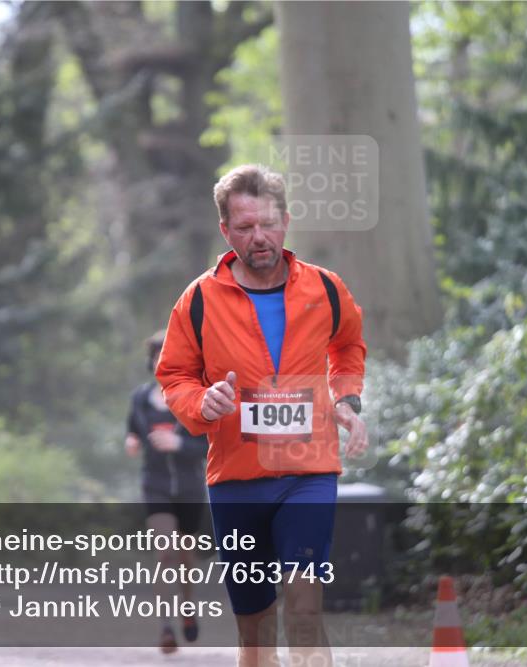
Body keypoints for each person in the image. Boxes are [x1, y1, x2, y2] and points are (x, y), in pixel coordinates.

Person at [155, 164, 368, 667]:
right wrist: (201, 403)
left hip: (308, 473)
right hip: (236, 478)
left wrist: (346, 400)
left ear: (287, 221)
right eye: (246, 227)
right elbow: (176, 376)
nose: (260, 238)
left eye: (268, 224)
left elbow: (348, 346)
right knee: (254, 626)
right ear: (226, 231)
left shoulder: (325, 289)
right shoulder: (199, 300)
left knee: (304, 603)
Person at [125, 330, 209, 654]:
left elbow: (207, 444)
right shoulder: (140, 398)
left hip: (189, 487)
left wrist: (179, 444)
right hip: (155, 485)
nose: (164, 361)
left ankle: (188, 607)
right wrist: (131, 441)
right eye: (159, 356)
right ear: (152, 362)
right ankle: (165, 627)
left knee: (186, 557)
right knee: (165, 554)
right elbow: (132, 429)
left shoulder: (194, 397)